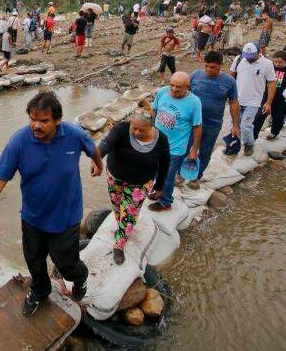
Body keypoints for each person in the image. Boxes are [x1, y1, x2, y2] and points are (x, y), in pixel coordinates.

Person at [0, 91, 103, 315]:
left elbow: (92, 148)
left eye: (44, 121)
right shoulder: (19, 141)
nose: (36, 125)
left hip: (66, 217)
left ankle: (80, 277)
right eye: (32, 119)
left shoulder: (74, 135)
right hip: (33, 217)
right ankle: (40, 290)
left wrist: (98, 164)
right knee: (34, 260)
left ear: (57, 120)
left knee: (66, 263)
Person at [98, 108, 170, 263]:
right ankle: (122, 227)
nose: (136, 132)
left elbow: (165, 163)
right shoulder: (121, 129)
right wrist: (97, 157)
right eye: (134, 128)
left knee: (129, 213)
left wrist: (160, 186)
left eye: (141, 130)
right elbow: (107, 143)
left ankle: (119, 244)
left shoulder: (161, 140)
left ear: (151, 127)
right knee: (117, 207)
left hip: (140, 184)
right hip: (115, 177)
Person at [148, 72, 202, 211]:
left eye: (178, 87)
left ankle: (166, 202)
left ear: (187, 87)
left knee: (167, 176)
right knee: (154, 171)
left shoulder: (194, 102)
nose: (173, 89)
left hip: (175, 148)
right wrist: (151, 130)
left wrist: (194, 149)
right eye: (171, 85)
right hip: (156, 142)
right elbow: (154, 110)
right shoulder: (162, 92)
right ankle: (157, 192)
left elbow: (197, 127)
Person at [189, 51, 240, 187]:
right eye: (206, 66)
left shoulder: (229, 82)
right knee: (186, 148)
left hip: (213, 123)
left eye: (212, 67)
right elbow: (184, 94)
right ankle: (181, 174)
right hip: (191, 122)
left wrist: (236, 125)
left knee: (205, 151)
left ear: (220, 66)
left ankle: (196, 176)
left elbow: (234, 103)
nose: (208, 70)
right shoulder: (195, 75)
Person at [229, 42, 277, 156]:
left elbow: (271, 83)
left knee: (246, 126)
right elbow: (231, 76)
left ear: (259, 52)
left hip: (254, 102)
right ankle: (235, 145)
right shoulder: (239, 59)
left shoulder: (267, 64)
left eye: (251, 57)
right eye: (247, 57)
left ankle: (249, 145)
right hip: (236, 100)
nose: (249, 59)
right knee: (234, 125)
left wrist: (268, 102)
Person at [252, 51, 286, 139]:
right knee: (259, 116)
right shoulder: (270, 67)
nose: (277, 64)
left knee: (278, 117)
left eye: (280, 62)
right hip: (267, 96)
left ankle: (274, 132)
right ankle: (253, 136)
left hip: (282, 99)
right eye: (275, 61)